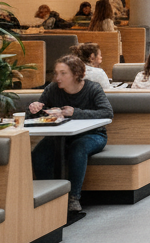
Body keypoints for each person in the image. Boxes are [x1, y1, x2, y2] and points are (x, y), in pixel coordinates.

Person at [28, 55, 113, 214]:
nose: (57, 78)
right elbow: (39, 113)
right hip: (60, 136)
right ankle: (51, 196)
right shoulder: (52, 89)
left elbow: (107, 112)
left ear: (76, 74)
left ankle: (73, 198)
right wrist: (34, 109)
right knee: (39, 154)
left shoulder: (92, 89)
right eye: (56, 73)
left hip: (94, 135)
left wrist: (75, 112)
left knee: (78, 148)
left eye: (63, 73)